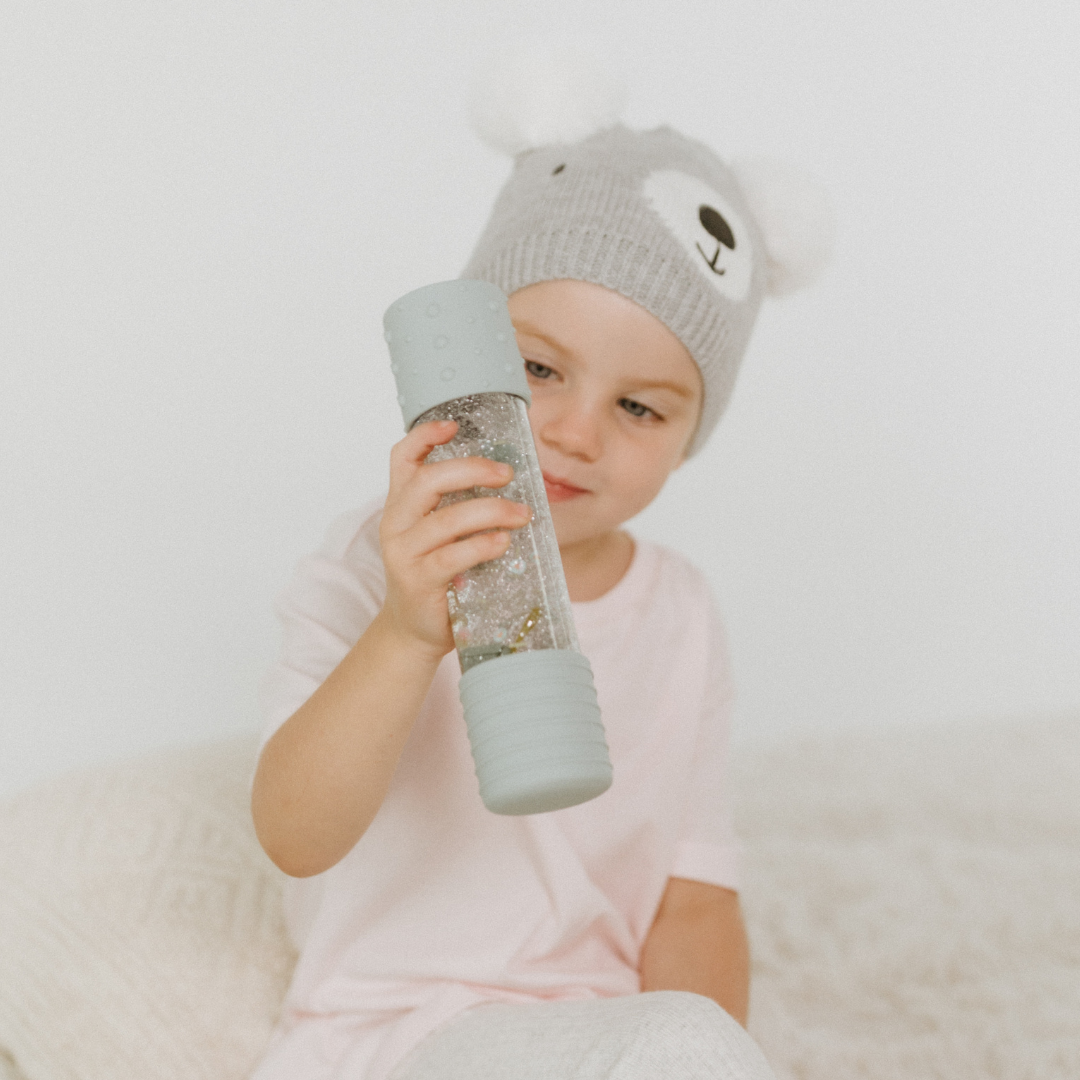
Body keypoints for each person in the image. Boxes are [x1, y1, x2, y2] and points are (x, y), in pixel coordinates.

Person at [249, 121, 828, 1080]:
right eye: (538, 369)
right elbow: (293, 836)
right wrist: (402, 632)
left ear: (689, 437)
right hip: (392, 1032)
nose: (572, 432)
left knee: (688, 1043)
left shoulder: (679, 615)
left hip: (595, 1038)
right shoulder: (373, 563)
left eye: (638, 407)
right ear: (462, 356)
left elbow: (694, 901)